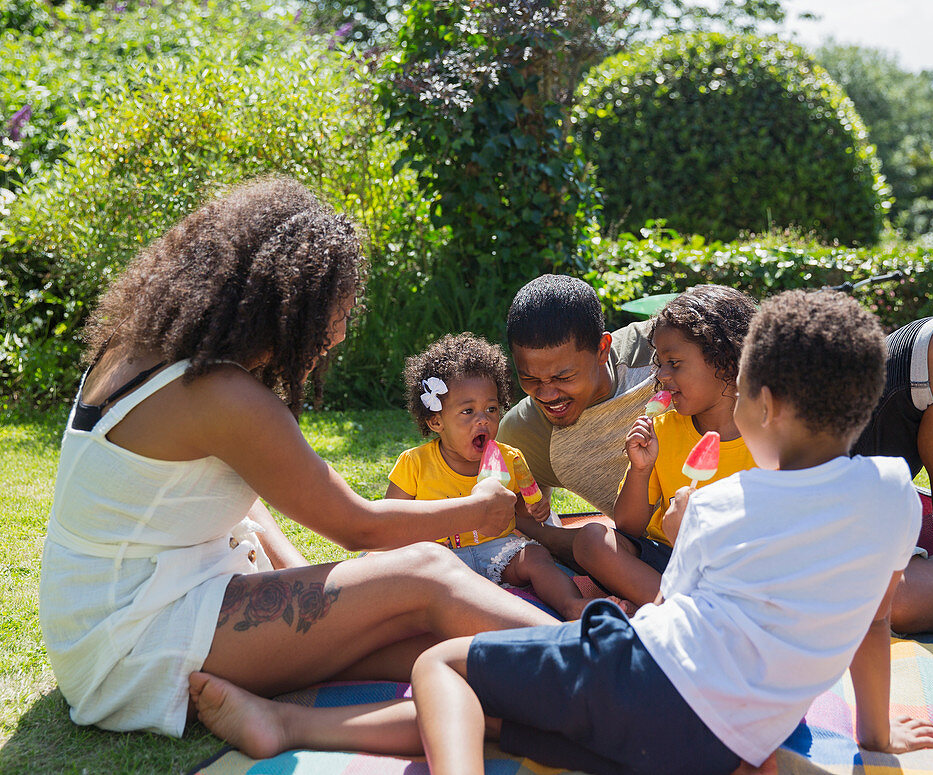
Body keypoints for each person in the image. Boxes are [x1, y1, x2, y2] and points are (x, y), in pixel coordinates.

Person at [38, 177, 558, 740]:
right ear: (286, 304)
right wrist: (476, 509)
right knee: (429, 572)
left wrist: (318, 590)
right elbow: (358, 527)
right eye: (333, 316)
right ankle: (613, 666)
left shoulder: (143, 354)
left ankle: (297, 723)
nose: (336, 336)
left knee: (426, 643)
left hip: (107, 620)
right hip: (133, 646)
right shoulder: (222, 396)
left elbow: (247, 512)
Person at [406, 289, 933, 775]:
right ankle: (316, 728)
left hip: (649, 687)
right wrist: (875, 738)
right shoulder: (897, 493)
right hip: (728, 743)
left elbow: (685, 624)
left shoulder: (720, 506)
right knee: (505, 718)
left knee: (440, 664)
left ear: (762, 400)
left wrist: (689, 526)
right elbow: (874, 623)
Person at [498, 275, 933, 634]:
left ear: (604, 348)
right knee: (889, 605)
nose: (547, 392)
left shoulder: (658, 347)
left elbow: (724, 328)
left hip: (802, 465)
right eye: (530, 380)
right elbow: (547, 524)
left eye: (563, 375)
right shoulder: (542, 429)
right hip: (728, 551)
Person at [386, 333, 597, 619]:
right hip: (440, 558)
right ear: (436, 421)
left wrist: (537, 509)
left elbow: (522, 512)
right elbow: (392, 520)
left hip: (497, 548)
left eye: (491, 409)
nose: (483, 419)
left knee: (536, 558)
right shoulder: (414, 463)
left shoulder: (511, 458)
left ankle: (572, 605)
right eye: (468, 411)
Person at [572, 285, 757, 607]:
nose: (661, 374)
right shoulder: (664, 430)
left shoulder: (768, 438)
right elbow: (629, 526)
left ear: (726, 363)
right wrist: (641, 469)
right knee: (591, 540)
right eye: (660, 363)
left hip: (740, 567)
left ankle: (684, 610)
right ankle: (677, 608)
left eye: (674, 363)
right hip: (667, 560)